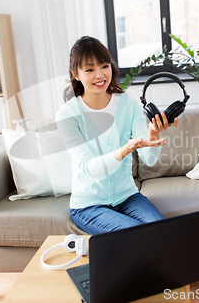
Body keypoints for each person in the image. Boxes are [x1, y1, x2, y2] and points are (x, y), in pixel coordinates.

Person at [56, 36, 179, 235]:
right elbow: (88, 168)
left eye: (104, 66)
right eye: (89, 70)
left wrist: (154, 133)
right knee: (135, 236)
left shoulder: (128, 104)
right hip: (89, 205)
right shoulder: (68, 115)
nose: (99, 75)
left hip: (127, 197)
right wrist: (123, 151)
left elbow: (149, 159)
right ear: (75, 74)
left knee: (162, 234)